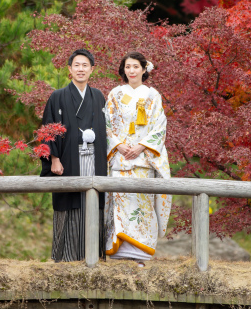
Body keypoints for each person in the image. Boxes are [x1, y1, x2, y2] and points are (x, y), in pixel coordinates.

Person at [40, 49, 108, 262]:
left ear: (92, 69)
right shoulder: (57, 96)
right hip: (68, 160)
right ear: (69, 69)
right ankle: (66, 258)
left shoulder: (98, 96)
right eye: (76, 65)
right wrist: (54, 158)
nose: (81, 69)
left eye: (85, 65)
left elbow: (108, 130)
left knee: (93, 203)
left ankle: (92, 257)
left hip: (94, 160)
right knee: (70, 204)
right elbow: (48, 129)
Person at [105, 52, 171, 267]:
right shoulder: (115, 94)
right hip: (120, 158)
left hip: (143, 160)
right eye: (128, 67)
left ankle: (140, 256)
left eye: (135, 66)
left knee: (142, 206)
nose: (131, 71)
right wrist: (118, 145)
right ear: (123, 70)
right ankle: (120, 256)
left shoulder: (153, 95)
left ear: (144, 69)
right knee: (120, 206)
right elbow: (106, 124)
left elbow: (159, 126)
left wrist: (141, 147)